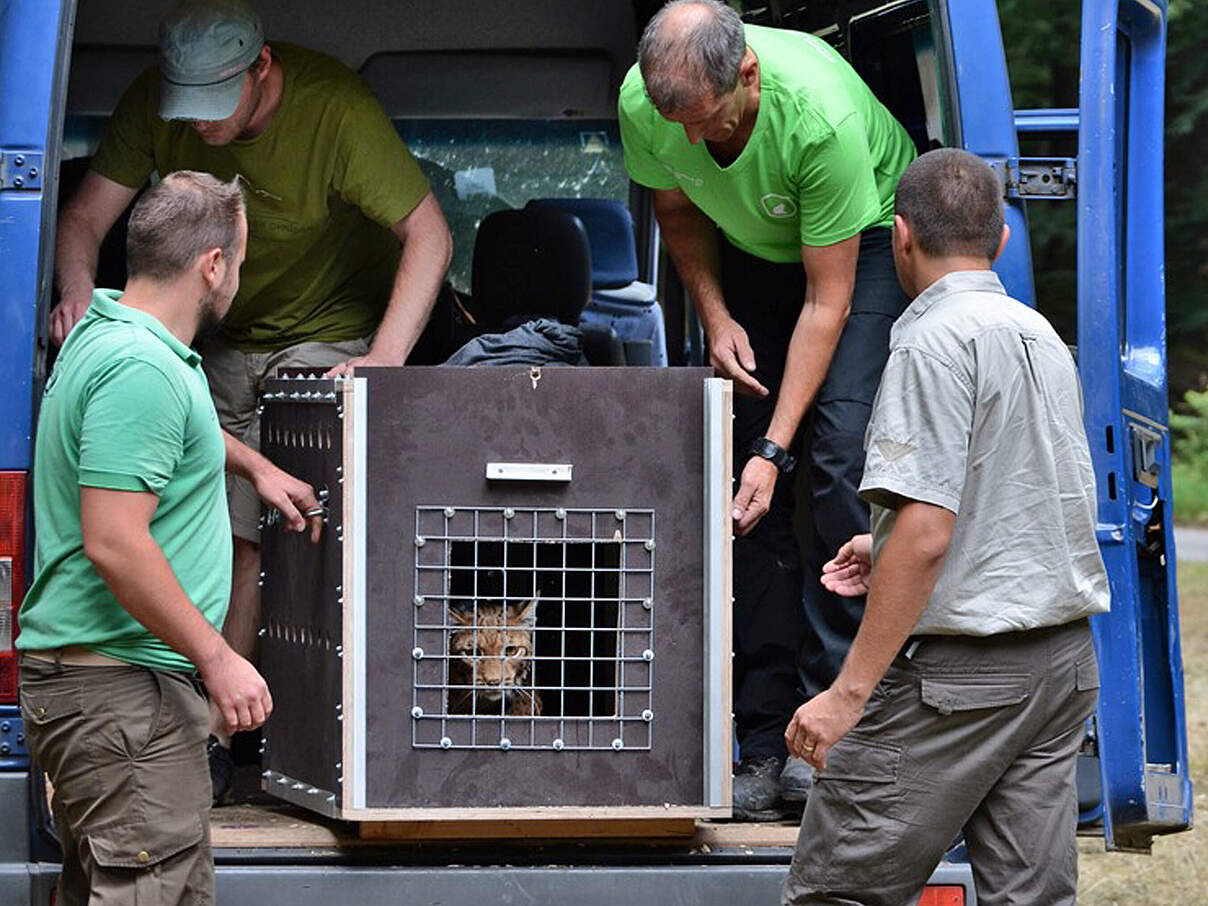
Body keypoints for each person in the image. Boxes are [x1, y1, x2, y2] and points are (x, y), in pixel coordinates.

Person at [49, 0, 453, 791]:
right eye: (183, 107)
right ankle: (206, 727)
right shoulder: (155, 106)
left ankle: (277, 732)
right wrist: (74, 305)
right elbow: (82, 221)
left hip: (325, 330)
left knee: (294, 530)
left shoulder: (335, 110)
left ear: (260, 69)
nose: (194, 125)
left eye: (211, 106)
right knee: (219, 522)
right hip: (215, 333)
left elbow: (430, 235)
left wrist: (383, 359)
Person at [781, 148, 1110, 905]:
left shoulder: (929, 343)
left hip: (964, 679)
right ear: (1000, 241)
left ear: (899, 237)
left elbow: (929, 532)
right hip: (1059, 666)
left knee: (839, 891)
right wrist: (884, 545)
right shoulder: (1038, 336)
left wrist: (847, 694)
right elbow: (1021, 498)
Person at [619, 0, 916, 817]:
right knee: (744, 496)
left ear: (746, 75)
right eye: (671, 122)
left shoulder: (818, 119)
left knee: (833, 459)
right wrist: (715, 316)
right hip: (750, 244)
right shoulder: (652, 104)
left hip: (857, 247)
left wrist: (776, 450)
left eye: (704, 124)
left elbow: (827, 302)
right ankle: (762, 737)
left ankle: (834, 730)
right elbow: (677, 209)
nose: (686, 143)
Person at [16, 171, 319, 905]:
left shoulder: (113, 330)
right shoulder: (141, 367)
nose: (238, 278)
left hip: (109, 694)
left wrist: (252, 464)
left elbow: (162, 432)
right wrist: (219, 659)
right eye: (240, 262)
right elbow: (116, 542)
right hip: (124, 696)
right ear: (213, 265)